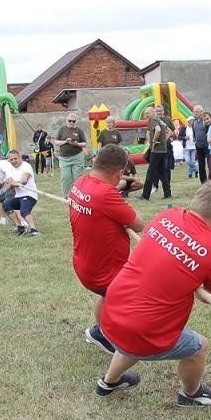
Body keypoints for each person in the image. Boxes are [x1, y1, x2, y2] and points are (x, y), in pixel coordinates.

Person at [94, 181, 211, 406]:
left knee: (134, 330)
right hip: (141, 328)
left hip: (111, 311)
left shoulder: (167, 215)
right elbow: (207, 295)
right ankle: (191, 394)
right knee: (199, 347)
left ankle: (108, 383)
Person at [70, 145, 149, 350]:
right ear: (119, 172)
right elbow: (139, 225)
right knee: (138, 298)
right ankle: (109, 335)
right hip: (105, 271)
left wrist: (123, 184)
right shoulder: (106, 195)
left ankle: (100, 331)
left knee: (109, 296)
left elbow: (102, 195)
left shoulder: (81, 183)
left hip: (85, 263)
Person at [0, 149, 42, 236]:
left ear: (20, 158)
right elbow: (12, 185)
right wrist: (10, 183)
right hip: (18, 196)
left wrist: (16, 183)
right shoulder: (10, 169)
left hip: (29, 195)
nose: (14, 161)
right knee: (6, 205)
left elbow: (24, 181)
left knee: (24, 211)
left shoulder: (26, 166)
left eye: (15, 158)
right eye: (11, 159)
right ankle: (20, 227)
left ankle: (34, 230)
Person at [141, 104, 175, 201]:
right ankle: (168, 194)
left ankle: (145, 196)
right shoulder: (160, 120)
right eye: (145, 113)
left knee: (150, 172)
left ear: (152, 112)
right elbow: (168, 131)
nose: (146, 115)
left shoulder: (154, 120)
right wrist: (164, 141)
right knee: (162, 172)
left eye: (147, 113)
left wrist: (154, 141)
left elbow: (158, 130)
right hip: (162, 149)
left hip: (157, 150)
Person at [51, 113, 88, 197]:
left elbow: (84, 143)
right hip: (64, 158)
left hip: (77, 156)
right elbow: (56, 142)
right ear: (66, 120)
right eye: (69, 121)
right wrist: (65, 141)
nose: (71, 122)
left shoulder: (79, 131)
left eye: (73, 121)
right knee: (65, 177)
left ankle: (78, 196)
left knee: (77, 177)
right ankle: (66, 196)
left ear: (76, 121)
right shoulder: (62, 130)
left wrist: (77, 144)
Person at [189, 107, 211, 184]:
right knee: (201, 165)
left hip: (207, 146)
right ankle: (203, 181)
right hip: (198, 146)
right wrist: (195, 139)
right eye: (194, 112)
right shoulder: (194, 122)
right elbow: (194, 132)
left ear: (202, 111)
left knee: (210, 163)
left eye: (197, 112)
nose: (195, 113)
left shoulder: (205, 121)